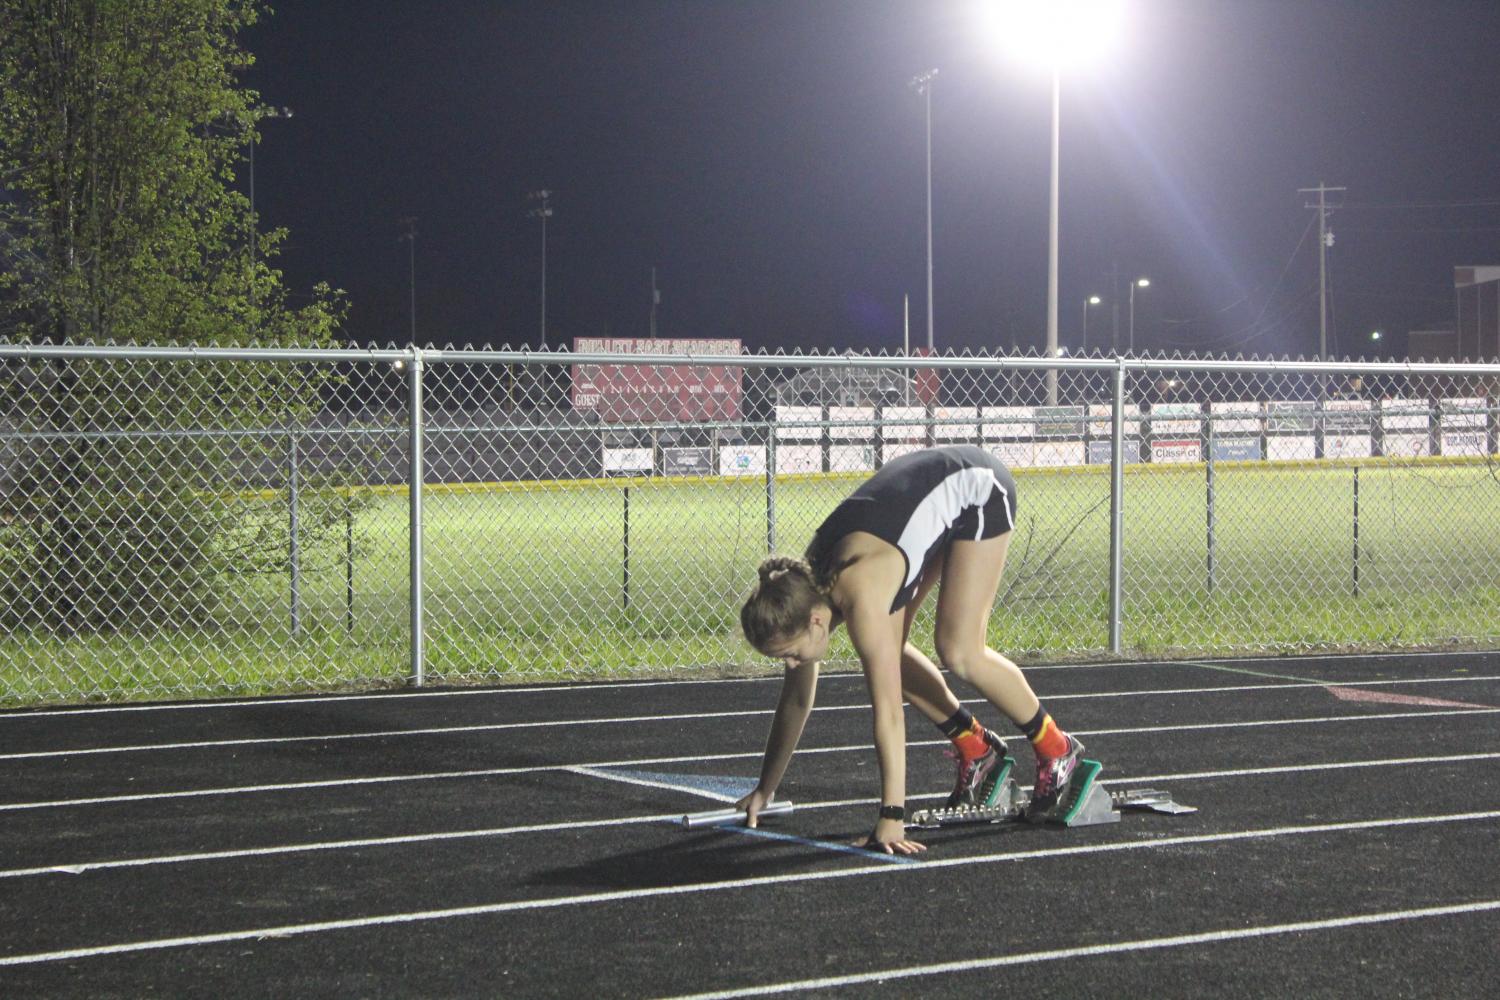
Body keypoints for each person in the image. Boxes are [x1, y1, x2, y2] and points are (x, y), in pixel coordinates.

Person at [737, 444, 1084, 854]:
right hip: (916, 504)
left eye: (789, 654)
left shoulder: (862, 595)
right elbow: (796, 701)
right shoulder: (802, 594)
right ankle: (977, 749)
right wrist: (766, 789)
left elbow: (888, 714)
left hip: (976, 489)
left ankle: (1058, 750)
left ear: (815, 621)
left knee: (959, 649)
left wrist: (891, 818)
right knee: (889, 653)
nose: (792, 663)